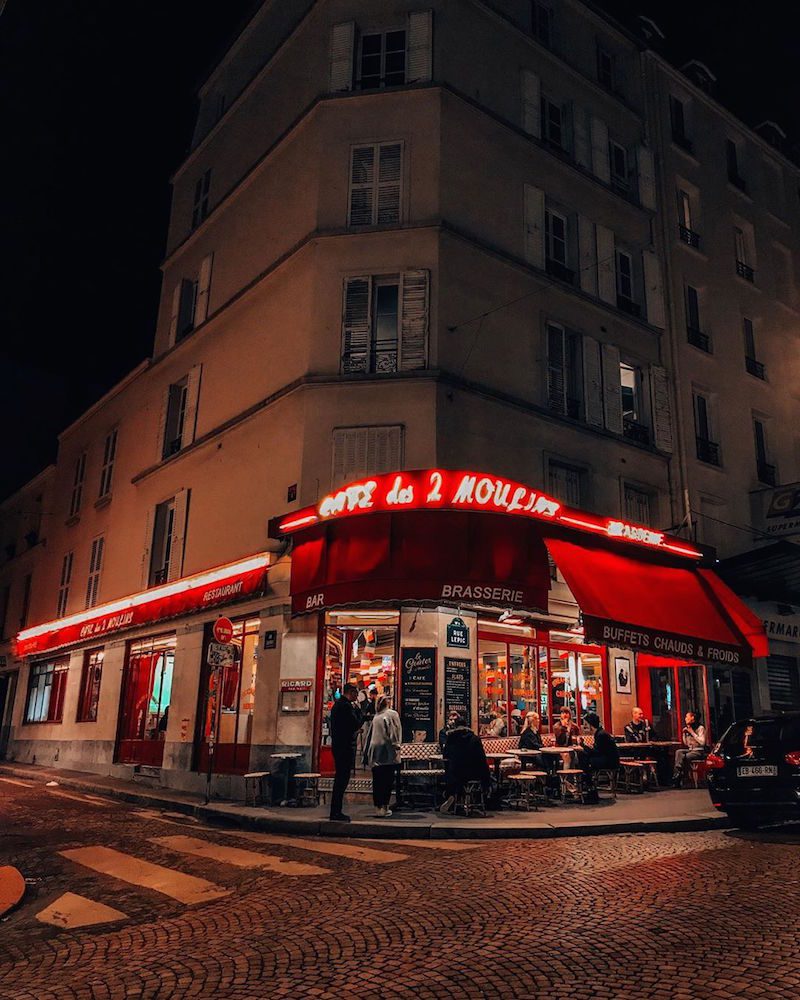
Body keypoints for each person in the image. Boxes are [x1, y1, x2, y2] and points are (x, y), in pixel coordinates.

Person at [439, 714, 491, 813]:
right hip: (474, 774)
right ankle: (472, 800)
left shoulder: (451, 738)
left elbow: (445, 755)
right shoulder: (475, 739)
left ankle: (454, 797)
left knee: (451, 775)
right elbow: (481, 758)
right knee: (481, 777)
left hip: (456, 774)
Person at [363, 695, 402, 817]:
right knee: (387, 780)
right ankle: (385, 807)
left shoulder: (377, 716)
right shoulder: (392, 714)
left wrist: (366, 752)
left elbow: (370, 735)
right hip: (387, 751)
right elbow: (394, 731)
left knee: (377, 781)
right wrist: (396, 745)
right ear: (388, 702)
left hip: (375, 752)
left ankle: (378, 807)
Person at [329, 683, 362, 822]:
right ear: (351, 692)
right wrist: (359, 714)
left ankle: (335, 811)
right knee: (342, 779)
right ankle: (336, 812)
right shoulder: (346, 706)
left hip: (338, 745)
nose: (357, 695)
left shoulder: (337, 705)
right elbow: (354, 724)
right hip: (344, 747)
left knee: (340, 779)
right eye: (356, 692)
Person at [576, 711, 620, 803]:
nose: (584, 726)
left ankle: (588, 785)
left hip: (609, 761)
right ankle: (587, 784)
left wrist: (584, 746)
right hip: (606, 758)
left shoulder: (601, 735)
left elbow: (598, 752)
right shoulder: (599, 733)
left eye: (586, 724)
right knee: (583, 757)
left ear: (591, 725)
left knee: (584, 758)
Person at [672, 711, 707, 787]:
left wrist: (692, 732)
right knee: (679, 752)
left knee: (686, 757)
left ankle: (680, 777)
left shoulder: (700, 728)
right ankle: (678, 773)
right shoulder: (688, 728)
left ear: (692, 718)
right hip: (691, 749)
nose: (685, 719)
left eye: (687, 717)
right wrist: (684, 734)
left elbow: (702, 742)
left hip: (698, 751)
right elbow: (686, 744)